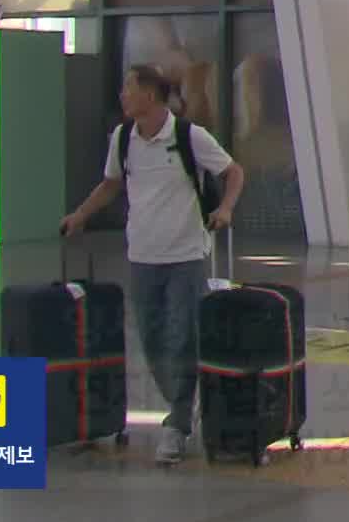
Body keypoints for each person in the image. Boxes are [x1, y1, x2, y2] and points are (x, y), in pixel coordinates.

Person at [61, 65, 245, 465]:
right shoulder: (123, 138)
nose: (123, 96)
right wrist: (80, 216)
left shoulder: (188, 136)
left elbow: (233, 172)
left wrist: (226, 208)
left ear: (150, 94)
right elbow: (111, 185)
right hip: (142, 255)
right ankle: (182, 403)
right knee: (151, 337)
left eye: (129, 88)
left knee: (181, 336)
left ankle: (177, 423)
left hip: (186, 256)